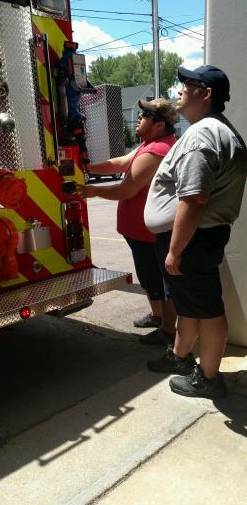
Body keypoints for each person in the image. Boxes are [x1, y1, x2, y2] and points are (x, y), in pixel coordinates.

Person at [144, 65, 247, 399]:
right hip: (198, 238)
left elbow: (194, 198)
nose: (180, 90)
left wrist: (174, 250)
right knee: (190, 305)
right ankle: (181, 357)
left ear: (206, 93)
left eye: (187, 84)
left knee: (209, 310)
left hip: (193, 240)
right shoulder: (219, 130)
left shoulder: (203, 136)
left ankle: (208, 378)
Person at [77, 98, 177, 342]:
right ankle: (157, 316)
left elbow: (126, 190)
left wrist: (93, 190)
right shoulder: (149, 145)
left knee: (158, 279)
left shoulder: (157, 150)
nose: (139, 118)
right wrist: (86, 166)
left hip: (148, 232)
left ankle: (167, 330)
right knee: (148, 275)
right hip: (140, 232)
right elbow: (121, 163)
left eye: (145, 115)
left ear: (159, 125)